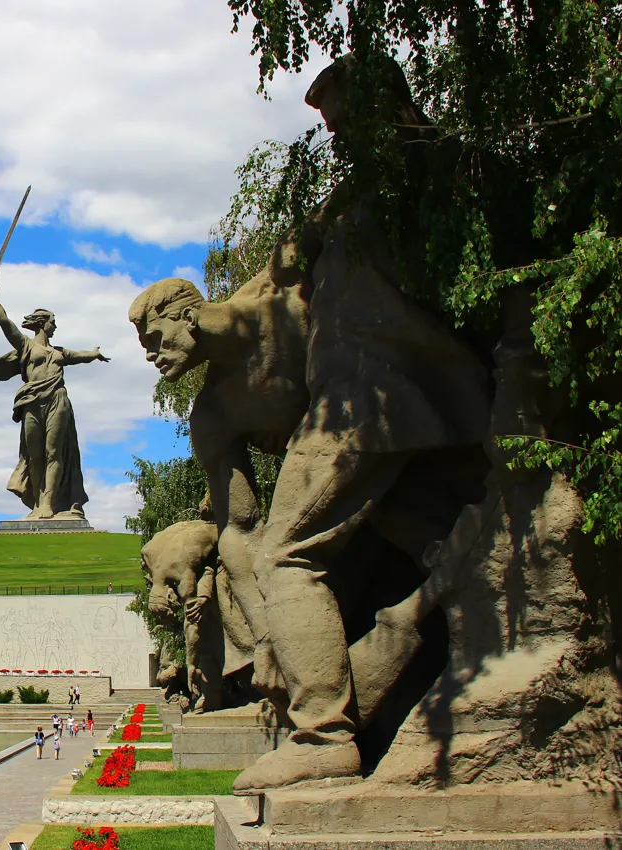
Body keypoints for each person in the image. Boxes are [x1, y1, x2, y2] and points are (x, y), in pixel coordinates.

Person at [231, 55, 491, 794]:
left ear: (387, 108)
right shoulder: (370, 194)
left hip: (364, 401)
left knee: (285, 555)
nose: (337, 138)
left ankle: (322, 734)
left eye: (345, 121)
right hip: (409, 402)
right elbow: (285, 268)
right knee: (433, 536)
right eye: (330, 127)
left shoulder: (429, 174)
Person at [0, 270, 109, 520]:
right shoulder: (26, 345)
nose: (55, 326)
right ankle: (38, 503)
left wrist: (94, 353)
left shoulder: (60, 353)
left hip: (57, 400)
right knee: (34, 455)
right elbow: (4, 321)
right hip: (31, 401)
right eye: (53, 322)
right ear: (42, 323)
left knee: (54, 452)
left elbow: (81, 356)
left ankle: (48, 503)